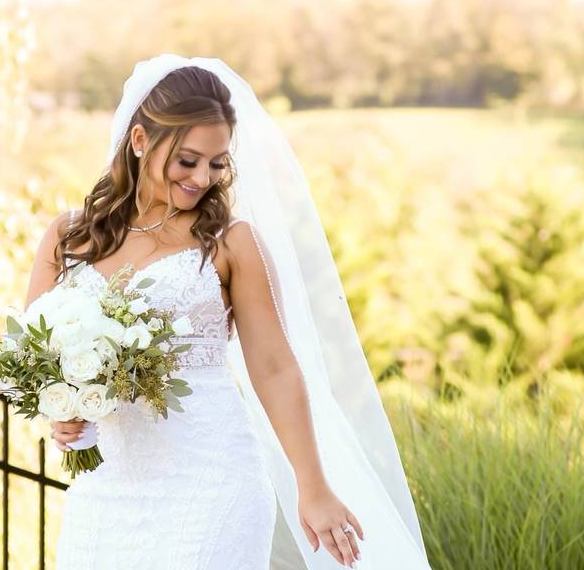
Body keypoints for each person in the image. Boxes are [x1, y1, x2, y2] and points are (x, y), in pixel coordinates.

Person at [25, 55, 430, 569]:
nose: (202, 178)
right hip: (105, 489)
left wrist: (313, 485)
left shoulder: (230, 243)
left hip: (211, 484)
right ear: (140, 141)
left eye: (217, 163)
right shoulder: (70, 236)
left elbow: (275, 367)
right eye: (188, 160)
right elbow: (34, 351)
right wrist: (61, 410)